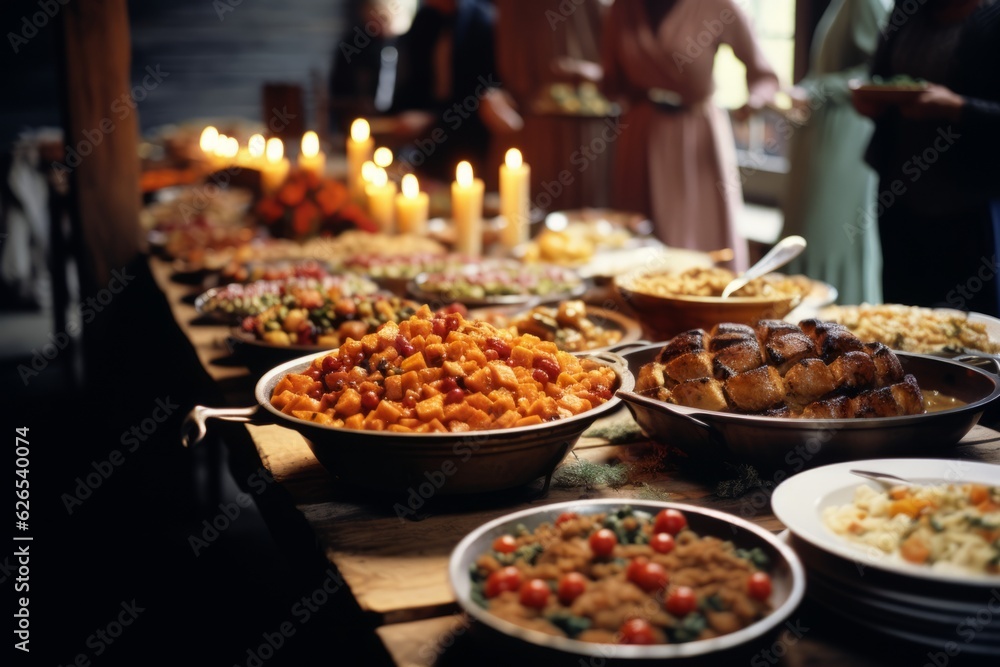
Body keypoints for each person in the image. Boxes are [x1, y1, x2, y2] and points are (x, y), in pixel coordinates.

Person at [600, 0, 779, 271]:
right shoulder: (622, 9)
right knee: (634, 249)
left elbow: (764, 76)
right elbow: (612, 83)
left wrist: (753, 101)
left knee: (698, 244)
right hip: (639, 135)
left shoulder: (718, 6)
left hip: (695, 136)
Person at [855, 0, 1000, 315]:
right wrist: (870, 100)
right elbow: (878, 76)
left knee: (969, 324)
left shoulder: (992, 16)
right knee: (900, 317)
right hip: (900, 196)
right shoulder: (908, 8)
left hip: (969, 204)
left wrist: (958, 108)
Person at [781, 0, 892, 305]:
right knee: (808, 232)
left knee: (830, 232)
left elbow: (878, 70)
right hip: (820, 133)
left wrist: (816, 89)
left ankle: (840, 325)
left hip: (843, 134)